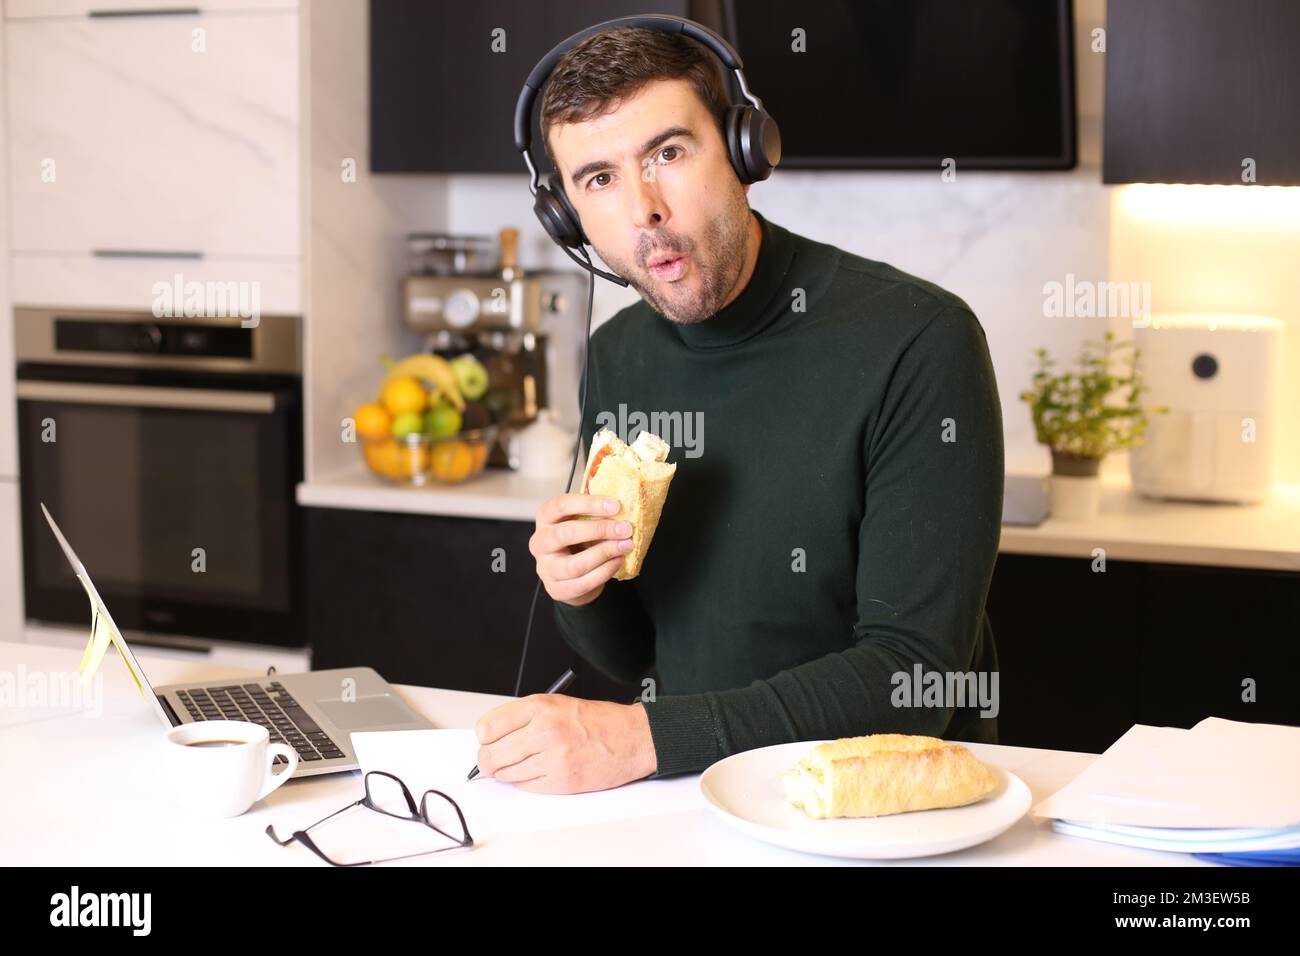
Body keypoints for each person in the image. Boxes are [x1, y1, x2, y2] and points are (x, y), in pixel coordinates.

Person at [473, 26, 1003, 794]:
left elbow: (913, 677)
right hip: (701, 792)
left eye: (668, 154)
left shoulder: (919, 338)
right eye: (598, 179)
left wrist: (646, 736)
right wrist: (578, 588)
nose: (642, 209)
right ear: (566, 216)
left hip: (885, 807)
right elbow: (635, 656)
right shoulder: (621, 351)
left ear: (745, 151)